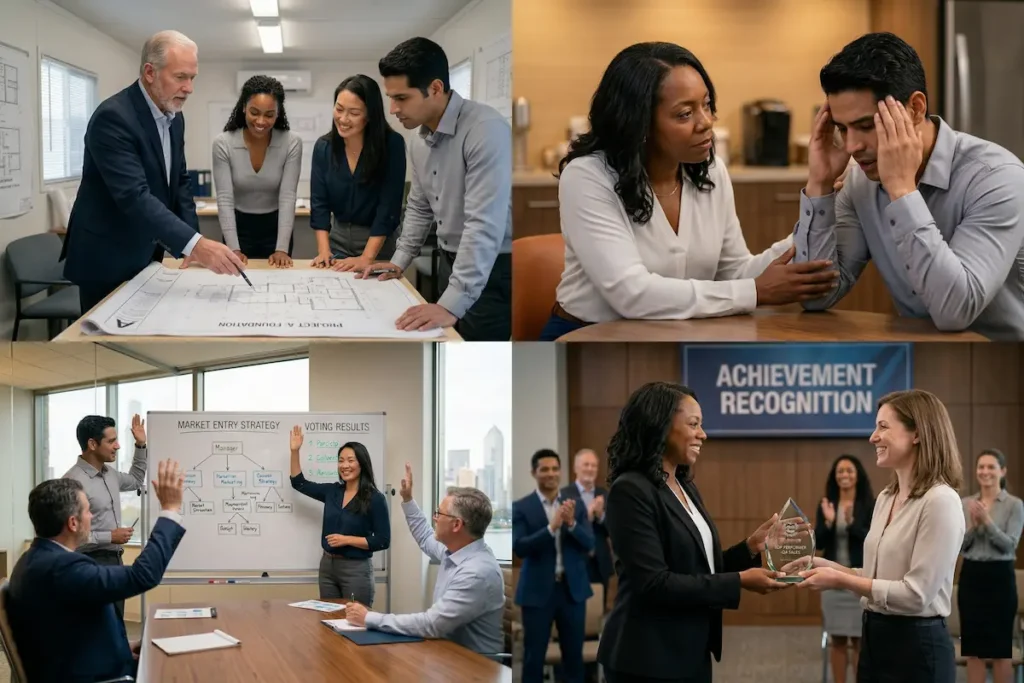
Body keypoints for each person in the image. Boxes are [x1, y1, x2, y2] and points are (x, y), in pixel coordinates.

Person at [539, 42, 838, 341]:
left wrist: (824, 202)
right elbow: (630, 294)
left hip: (677, 332)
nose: (706, 122)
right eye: (685, 114)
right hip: (587, 336)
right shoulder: (588, 176)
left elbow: (735, 272)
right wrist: (756, 291)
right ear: (639, 123)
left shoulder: (711, 170)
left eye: (706, 105)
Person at [793, 32, 1024, 340]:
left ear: (915, 109)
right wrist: (820, 184)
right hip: (922, 356)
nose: (851, 146)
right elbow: (815, 296)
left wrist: (902, 190)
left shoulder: (997, 178)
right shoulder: (860, 183)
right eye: (841, 128)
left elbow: (954, 312)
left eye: (866, 126)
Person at [598, 381, 787, 683]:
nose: (703, 434)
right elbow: (654, 583)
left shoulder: (684, 486)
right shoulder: (630, 490)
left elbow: (698, 568)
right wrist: (739, 581)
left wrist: (750, 548)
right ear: (660, 426)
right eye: (694, 424)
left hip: (690, 650)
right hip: (647, 659)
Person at [61, 30, 245, 313]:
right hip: (107, 256)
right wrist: (196, 245)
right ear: (150, 72)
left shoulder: (175, 116)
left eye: (192, 78)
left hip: (147, 253)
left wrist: (190, 245)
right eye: (180, 77)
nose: (189, 88)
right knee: (106, 349)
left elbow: (179, 181)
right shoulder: (113, 118)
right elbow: (134, 196)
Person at [797, 389, 966, 683]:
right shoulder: (887, 497)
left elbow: (915, 595)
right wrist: (827, 566)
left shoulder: (940, 501)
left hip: (918, 648)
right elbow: (878, 575)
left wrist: (839, 580)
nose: (873, 437)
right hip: (875, 638)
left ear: (917, 433)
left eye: (883, 426)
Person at [359, 37, 512, 342]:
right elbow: (419, 205)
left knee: (476, 346)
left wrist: (454, 301)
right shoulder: (419, 139)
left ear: (436, 88)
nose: (393, 109)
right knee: (447, 340)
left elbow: (483, 225)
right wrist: (399, 260)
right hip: (449, 258)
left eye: (401, 98)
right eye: (390, 97)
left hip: (493, 264)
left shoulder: (486, 130)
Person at [6, 460, 186, 683]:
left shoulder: (33, 559)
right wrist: (170, 511)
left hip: (81, 664)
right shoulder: (62, 569)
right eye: (88, 511)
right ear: (73, 522)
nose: (91, 517)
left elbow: (64, 629)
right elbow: (141, 576)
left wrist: (122, 648)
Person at [344, 463, 504, 655]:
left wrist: (369, 618)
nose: (434, 518)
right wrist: (408, 499)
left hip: (474, 666)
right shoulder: (455, 551)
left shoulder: (477, 572)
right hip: (446, 654)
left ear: (456, 525)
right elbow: (425, 536)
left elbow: (432, 624)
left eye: (439, 514)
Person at [309, 75, 407, 272]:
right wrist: (324, 250)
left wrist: (367, 258)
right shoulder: (324, 147)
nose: (343, 119)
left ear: (370, 114)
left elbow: (388, 207)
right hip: (337, 241)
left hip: (379, 243)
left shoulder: (391, 145)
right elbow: (319, 203)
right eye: (339, 109)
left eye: (354, 113)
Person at [513, 449, 595, 683]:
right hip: (537, 594)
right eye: (545, 469)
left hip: (572, 593)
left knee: (573, 660)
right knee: (533, 659)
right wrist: (551, 528)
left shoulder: (575, 505)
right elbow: (520, 547)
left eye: (555, 469)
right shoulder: (521, 507)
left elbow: (589, 544)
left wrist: (570, 523)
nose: (551, 474)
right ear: (534, 472)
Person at [61, 414, 148, 624]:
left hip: (114, 561)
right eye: (111, 441)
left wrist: (141, 444)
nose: (117, 446)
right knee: (98, 627)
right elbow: (67, 537)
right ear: (92, 443)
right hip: (90, 563)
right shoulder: (72, 482)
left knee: (115, 624)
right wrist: (109, 536)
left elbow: (136, 479)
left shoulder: (110, 474)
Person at [288, 425, 389, 603]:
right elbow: (299, 483)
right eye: (341, 460)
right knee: (329, 621)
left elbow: (382, 540)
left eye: (351, 460)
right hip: (327, 566)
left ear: (362, 464)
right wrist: (295, 451)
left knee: (355, 622)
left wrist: (347, 540)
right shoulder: (332, 492)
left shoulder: (375, 498)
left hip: (356, 569)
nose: (345, 465)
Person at [212, 74, 302, 266]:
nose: (261, 121)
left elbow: (287, 196)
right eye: (254, 112)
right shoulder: (223, 143)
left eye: (269, 114)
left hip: (276, 229)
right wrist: (233, 248)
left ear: (278, 113)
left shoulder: (291, 142)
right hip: (237, 228)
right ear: (244, 107)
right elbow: (225, 198)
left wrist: (281, 249)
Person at [959, 449, 1024, 683]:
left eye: (991, 467)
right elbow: (960, 547)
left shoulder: (1014, 505)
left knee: (1000, 650)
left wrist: (987, 522)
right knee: (973, 650)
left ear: (1003, 471)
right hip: (972, 576)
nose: (985, 472)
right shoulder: (966, 503)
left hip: (1000, 579)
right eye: (981, 467)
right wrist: (975, 527)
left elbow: (1009, 546)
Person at [814, 454, 875, 683]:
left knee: (859, 639)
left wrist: (850, 523)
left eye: (849, 470)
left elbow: (872, 540)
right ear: (834, 476)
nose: (845, 475)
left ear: (857, 475)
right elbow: (818, 543)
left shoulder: (870, 504)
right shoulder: (827, 503)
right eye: (840, 471)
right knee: (837, 638)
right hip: (832, 581)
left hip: (858, 580)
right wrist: (829, 522)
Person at [559, 448, 614, 603]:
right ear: (576, 468)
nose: (590, 469)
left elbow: (614, 531)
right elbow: (564, 531)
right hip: (575, 564)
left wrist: (601, 515)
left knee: (599, 613)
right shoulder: (564, 494)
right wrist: (588, 515)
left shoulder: (604, 494)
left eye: (594, 466)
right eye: (586, 465)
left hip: (600, 563)